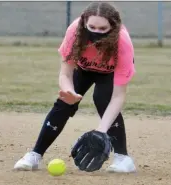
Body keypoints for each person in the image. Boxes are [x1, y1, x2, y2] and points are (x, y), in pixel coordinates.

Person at [14, 2, 136, 173]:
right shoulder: (75, 32)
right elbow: (65, 74)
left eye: (103, 28)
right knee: (64, 103)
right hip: (83, 70)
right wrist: (69, 92)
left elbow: (118, 96)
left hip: (109, 73)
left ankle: (123, 159)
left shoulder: (122, 42)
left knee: (102, 99)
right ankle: (35, 155)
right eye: (92, 27)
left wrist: (101, 131)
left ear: (113, 27)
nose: (96, 32)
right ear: (84, 22)